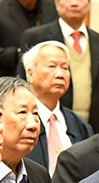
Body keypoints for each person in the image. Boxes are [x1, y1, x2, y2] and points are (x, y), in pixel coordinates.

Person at [19, 0, 99, 124]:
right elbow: (22, 82)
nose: (74, 3)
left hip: (92, 126)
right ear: (56, 4)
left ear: (88, 4)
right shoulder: (36, 37)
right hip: (45, 122)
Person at [24, 40, 91, 171]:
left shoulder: (80, 125)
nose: (60, 74)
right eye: (51, 66)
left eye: (65, 68)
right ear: (30, 74)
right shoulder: (19, 121)